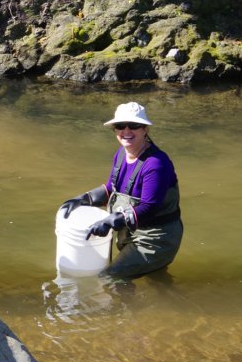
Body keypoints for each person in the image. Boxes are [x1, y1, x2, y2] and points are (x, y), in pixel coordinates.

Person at [58, 101, 183, 280]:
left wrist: (111, 221)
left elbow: (149, 207)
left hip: (156, 238)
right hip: (130, 232)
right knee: (153, 278)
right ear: (114, 130)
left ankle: (124, 307)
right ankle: (158, 299)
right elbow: (111, 189)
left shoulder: (156, 164)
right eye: (120, 126)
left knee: (110, 277)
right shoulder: (121, 154)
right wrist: (84, 198)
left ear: (145, 129)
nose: (126, 131)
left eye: (133, 125)